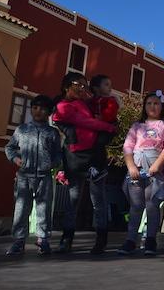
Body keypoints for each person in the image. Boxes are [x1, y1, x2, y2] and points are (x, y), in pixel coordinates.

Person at [52, 72, 116, 255]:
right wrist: (110, 128)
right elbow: (87, 122)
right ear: (66, 85)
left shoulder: (84, 102)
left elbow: (98, 114)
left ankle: (101, 239)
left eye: (84, 85)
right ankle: (67, 239)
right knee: (73, 199)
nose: (82, 88)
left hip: (95, 156)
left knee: (98, 200)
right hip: (76, 159)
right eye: (78, 84)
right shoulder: (62, 106)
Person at [118, 91, 164, 256]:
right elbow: (128, 146)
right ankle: (130, 240)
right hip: (136, 169)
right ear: (144, 106)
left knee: (152, 206)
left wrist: (157, 164)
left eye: (156, 103)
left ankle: (150, 239)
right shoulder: (137, 126)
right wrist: (131, 166)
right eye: (149, 103)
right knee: (136, 206)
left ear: (162, 106)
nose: (152, 106)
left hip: (154, 171)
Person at [5, 95, 62, 256]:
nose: (38, 111)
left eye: (43, 109)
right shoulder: (22, 130)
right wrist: (15, 159)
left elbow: (58, 154)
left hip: (44, 177)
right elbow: (10, 148)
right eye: (35, 108)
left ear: (49, 112)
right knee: (21, 208)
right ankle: (19, 241)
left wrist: (52, 163)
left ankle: (43, 240)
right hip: (24, 176)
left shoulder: (52, 133)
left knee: (44, 208)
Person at [88, 74, 119, 182]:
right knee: (93, 144)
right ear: (96, 88)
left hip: (109, 126)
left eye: (110, 85)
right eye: (106, 85)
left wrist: (102, 117)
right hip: (97, 127)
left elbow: (111, 112)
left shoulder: (111, 100)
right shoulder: (92, 100)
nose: (110, 87)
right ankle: (94, 166)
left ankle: (100, 167)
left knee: (99, 143)